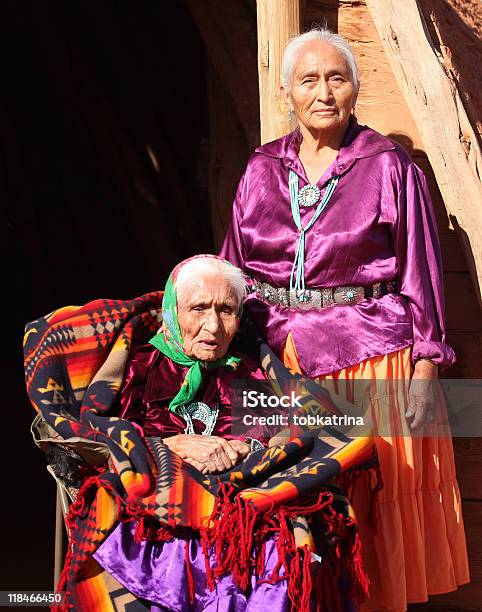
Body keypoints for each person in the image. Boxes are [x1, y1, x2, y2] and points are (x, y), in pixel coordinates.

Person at [220, 27, 469, 612]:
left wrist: (427, 363)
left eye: (337, 78)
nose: (324, 92)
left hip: (371, 354)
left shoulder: (387, 166)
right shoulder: (260, 170)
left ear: (356, 90)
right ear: (288, 93)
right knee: (287, 504)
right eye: (309, 80)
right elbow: (231, 264)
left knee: (369, 501)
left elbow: (421, 268)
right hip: (275, 365)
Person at [92, 255, 290, 610]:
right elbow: (112, 433)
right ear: (173, 311)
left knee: (277, 545)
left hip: (234, 504)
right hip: (160, 503)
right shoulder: (143, 366)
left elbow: (272, 431)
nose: (213, 326)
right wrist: (171, 446)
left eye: (226, 310)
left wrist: (245, 447)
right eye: (198, 308)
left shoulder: (245, 371)